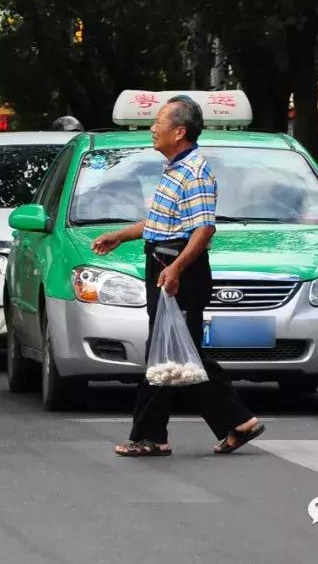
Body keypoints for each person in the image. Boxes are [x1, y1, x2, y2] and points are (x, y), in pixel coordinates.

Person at [91, 95, 264, 457]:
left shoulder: (195, 173)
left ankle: (153, 435)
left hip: (180, 273)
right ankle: (234, 422)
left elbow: (203, 230)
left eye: (159, 122)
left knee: (171, 354)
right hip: (166, 267)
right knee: (175, 354)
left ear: (180, 131)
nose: (153, 128)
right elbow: (160, 224)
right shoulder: (174, 170)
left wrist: (176, 269)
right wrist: (118, 236)